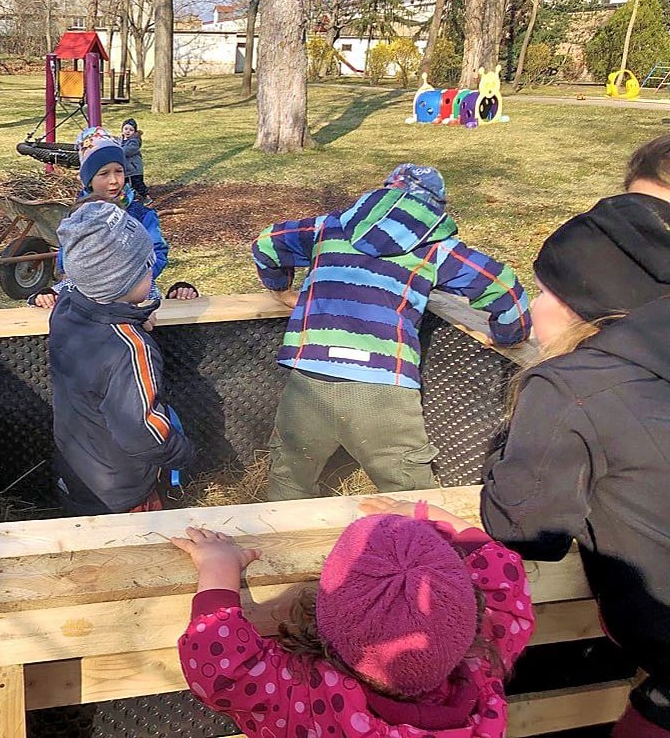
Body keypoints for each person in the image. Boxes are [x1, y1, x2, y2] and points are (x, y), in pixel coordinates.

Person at [481, 135, 670, 738]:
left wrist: (508, 443)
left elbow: (522, 527)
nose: (533, 307)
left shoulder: (571, 387)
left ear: (581, 303)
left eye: (543, 291)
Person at [253, 164, 531, 499]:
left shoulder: (326, 228)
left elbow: (266, 243)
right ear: (435, 208)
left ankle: (284, 531)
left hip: (309, 379)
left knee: (290, 477)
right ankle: (418, 533)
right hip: (385, 386)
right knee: (408, 489)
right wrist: (509, 335)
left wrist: (282, 290)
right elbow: (504, 287)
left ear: (382, 193)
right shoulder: (436, 248)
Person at [173, 496, 534, 738]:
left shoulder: (305, 697)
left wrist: (218, 564)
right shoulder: (483, 665)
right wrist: (426, 514)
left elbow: (220, 667)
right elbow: (503, 573)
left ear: (325, 615)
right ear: (470, 613)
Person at [48, 198, 195, 515]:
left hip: (78, 471)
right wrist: (182, 453)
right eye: (146, 267)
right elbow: (141, 433)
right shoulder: (130, 348)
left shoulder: (67, 308)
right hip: (125, 490)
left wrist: (134, 313)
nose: (152, 273)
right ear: (122, 279)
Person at [30, 126, 198, 308]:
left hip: (134, 288)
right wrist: (48, 295)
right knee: (46, 304)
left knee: (150, 315)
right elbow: (66, 258)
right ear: (88, 180)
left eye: (119, 171)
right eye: (104, 173)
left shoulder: (142, 215)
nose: (114, 181)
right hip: (88, 290)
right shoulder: (78, 217)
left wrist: (134, 280)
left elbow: (157, 252)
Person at [121, 118, 149, 201]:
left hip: (134, 168)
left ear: (134, 132)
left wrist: (117, 150)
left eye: (131, 130)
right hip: (125, 169)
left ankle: (146, 196)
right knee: (125, 185)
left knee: (137, 184)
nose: (128, 131)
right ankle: (130, 199)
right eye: (126, 129)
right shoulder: (120, 140)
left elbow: (128, 150)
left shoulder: (134, 141)